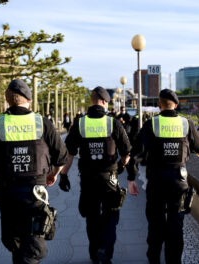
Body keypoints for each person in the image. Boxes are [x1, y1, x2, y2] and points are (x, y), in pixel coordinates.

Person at [0, 79, 68, 264]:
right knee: (33, 243)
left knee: (15, 242)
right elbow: (62, 157)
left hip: (6, 193)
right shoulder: (43, 123)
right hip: (35, 192)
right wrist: (53, 174)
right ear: (29, 100)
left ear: (8, 101)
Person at [59, 86, 138, 263]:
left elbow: (69, 154)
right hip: (109, 178)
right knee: (111, 215)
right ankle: (106, 251)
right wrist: (122, 168)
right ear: (104, 102)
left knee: (92, 218)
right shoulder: (113, 123)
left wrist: (63, 175)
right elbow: (127, 153)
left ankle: (95, 254)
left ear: (92, 101)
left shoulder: (80, 123)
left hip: (87, 179)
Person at [127, 89, 199, 264]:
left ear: (159, 105)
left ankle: (154, 259)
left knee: (155, 226)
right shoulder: (186, 123)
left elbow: (136, 153)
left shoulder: (151, 124)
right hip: (179, 181)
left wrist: (131, 178)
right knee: (176, 227)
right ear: (176, 105)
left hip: (156, 181)